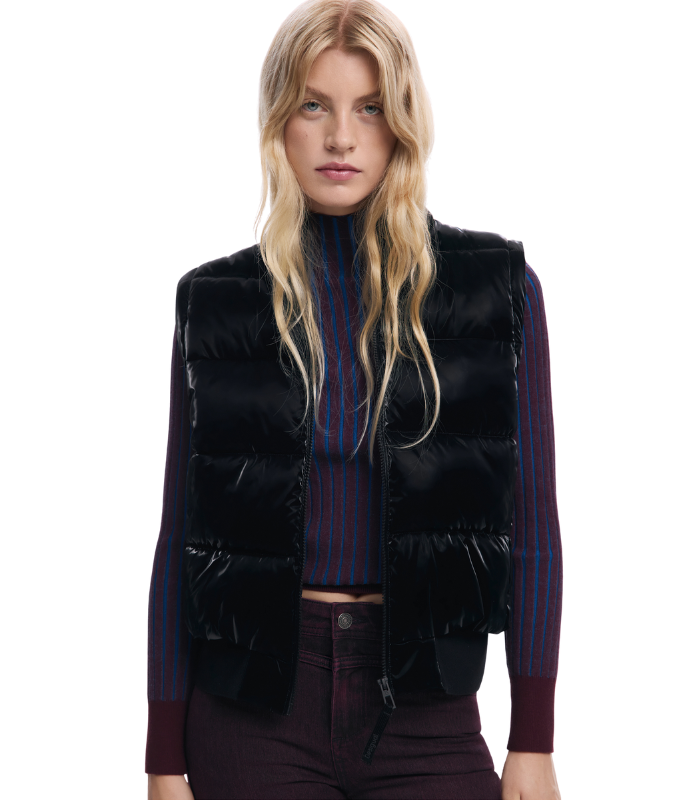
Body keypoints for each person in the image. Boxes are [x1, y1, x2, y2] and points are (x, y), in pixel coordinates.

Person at [145, 1, 563, 798]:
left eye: (369, 108)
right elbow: (181, 537)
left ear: (402, 122)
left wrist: (533, 738)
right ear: (279, 119)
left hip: (428, 704)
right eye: (315, 105)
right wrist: (164, 758)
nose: (342, 137)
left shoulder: (497, 292)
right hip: (253, 710)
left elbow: (533, 529)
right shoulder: (217, 304)